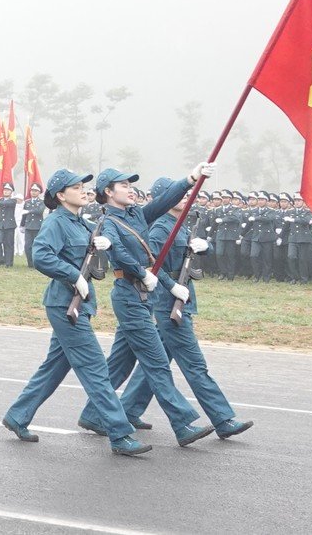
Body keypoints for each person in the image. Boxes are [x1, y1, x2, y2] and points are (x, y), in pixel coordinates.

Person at [2, 168, 149, 456]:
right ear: (60, 195)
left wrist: (102, 247)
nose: (84, 190)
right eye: (77, 187)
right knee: (96, 370)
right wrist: (73, 275)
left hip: (79, 304)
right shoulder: (57, 222)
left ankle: (18, 415)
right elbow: (41, 255)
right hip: (65, 305)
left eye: (84, 186)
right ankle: (120, 435)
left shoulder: (82, 223)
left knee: (55, 366)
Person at [75, 165, 212, 447]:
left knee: (121, 361)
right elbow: (119, 253)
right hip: (128, 293)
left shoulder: (135, 214)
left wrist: (189, 179)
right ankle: (181, 423)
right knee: (157, 361)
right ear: (108, 193)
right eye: (123, 185)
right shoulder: (109, 223)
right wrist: (142, 271)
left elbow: (163, 202)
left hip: (142, 294)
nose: (130, 188)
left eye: (129, 184)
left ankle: (92, 414)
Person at [119, 177, 254, 441]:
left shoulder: (180, 225)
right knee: (194, 364)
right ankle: (223, 418)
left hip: (180, 301)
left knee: (158, 362)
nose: (185, 197)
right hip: (169, 303)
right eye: (177, 195)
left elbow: (189, 253)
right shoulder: (160, 228)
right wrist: (171, 287)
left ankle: (126, 410)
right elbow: (150, 265)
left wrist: (206, 247)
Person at [0, 183, 18, 267]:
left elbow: (8, 204)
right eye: (5, 190)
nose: (6, 191)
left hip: (9, 224)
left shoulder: (13, 200)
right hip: (0, 224)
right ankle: (0, 259)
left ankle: (9, 262)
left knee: (8, 244)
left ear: (11, 192)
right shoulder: (0, 200)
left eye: (8, 190)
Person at [20, 185, 45, 266]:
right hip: (28, 226)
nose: (33, 192)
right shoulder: (27, 202)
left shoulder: (42, 202)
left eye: (35, 191)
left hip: (38, 226)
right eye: (32, 190)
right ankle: (30, 263)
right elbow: (24, 215)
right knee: (27, 246)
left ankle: (36, 262)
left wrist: (29, 211)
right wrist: (22, 225)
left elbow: (40, 211)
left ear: (39, 192)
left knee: (37, 246)